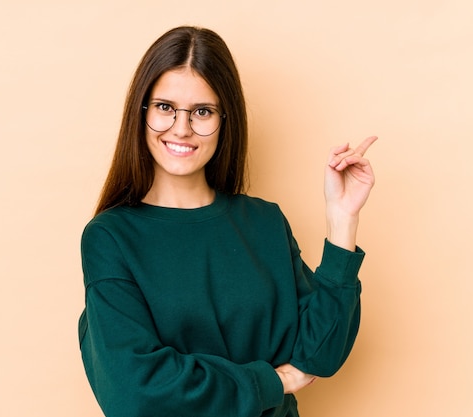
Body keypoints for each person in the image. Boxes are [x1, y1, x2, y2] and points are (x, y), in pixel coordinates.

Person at [78, 25, 377, 417]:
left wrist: (342, 221)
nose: (181, 128)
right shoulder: (111, 238)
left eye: (202, 112)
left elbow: (319, 353)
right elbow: (135, 391)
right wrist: (274, 382)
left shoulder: (264, 222)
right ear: (142, 111)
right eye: (165, 107)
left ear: (224, 119)